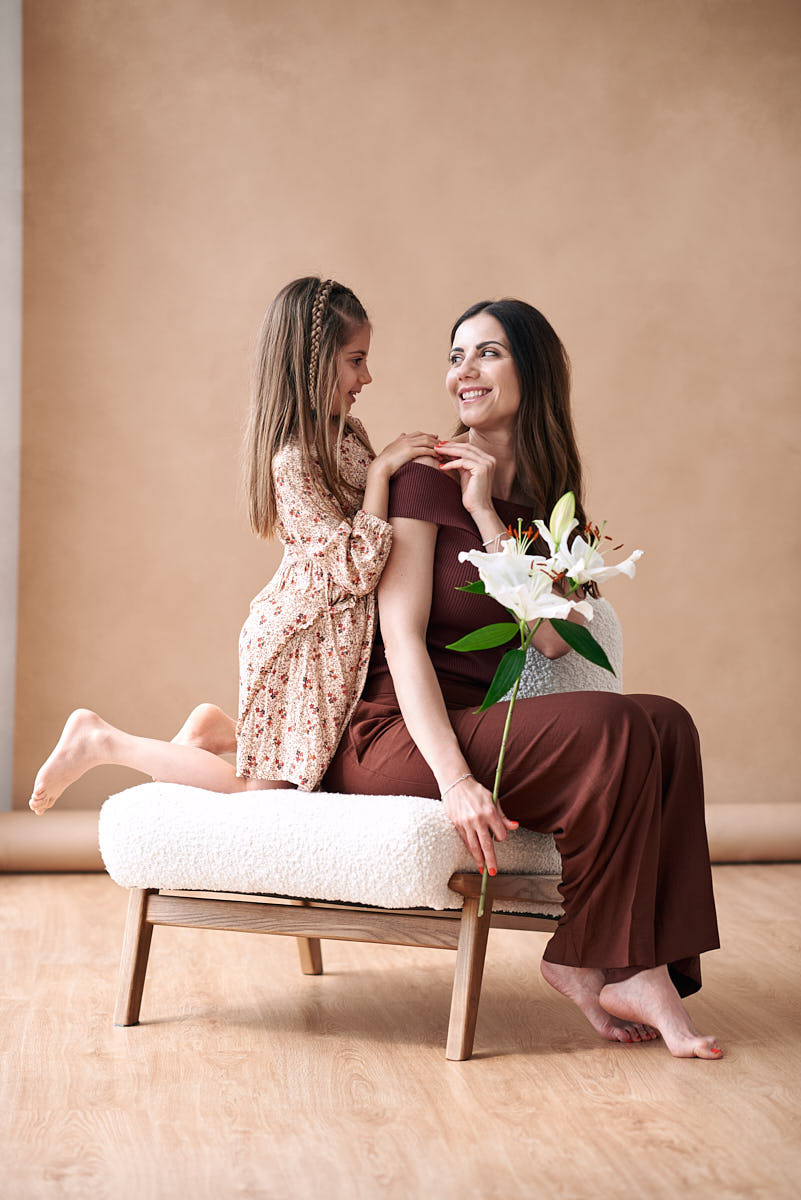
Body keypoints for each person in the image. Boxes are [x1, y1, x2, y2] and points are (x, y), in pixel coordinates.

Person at [323, 298, 723, 1059]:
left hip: (484, 722)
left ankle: (632, 966)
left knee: (665, 720)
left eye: (487, 353)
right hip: (396, 734)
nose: (462, 373)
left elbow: (547, 640)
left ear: (530, 370)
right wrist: (452, 780)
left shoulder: (545, 513)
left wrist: (487, 519)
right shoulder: (419, 479)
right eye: (455, 356)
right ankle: (601, 960)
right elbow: (399, 639)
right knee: (612, 728)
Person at [29, 277, 437, 810]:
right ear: (314, 365)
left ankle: (215, 729)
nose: (367, 376)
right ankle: (103, 740)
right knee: (264, 797)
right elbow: (356, 567)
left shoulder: (349, 433)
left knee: (300, 774)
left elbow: (368, 532)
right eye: (355, 360)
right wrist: (385, 470)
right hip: (300, 642)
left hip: (329, 641)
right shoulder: (293, 462)